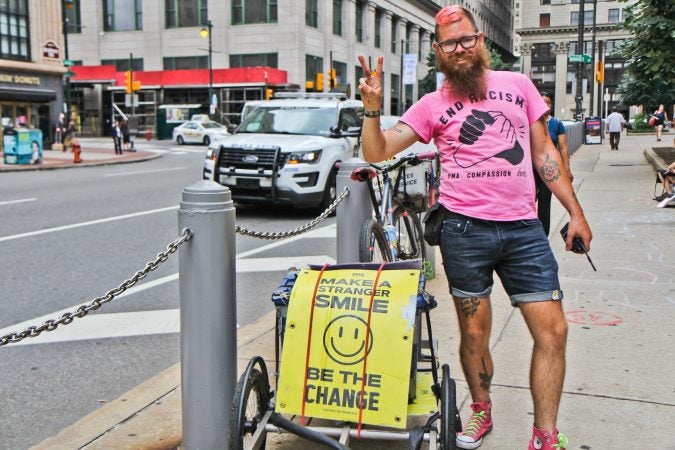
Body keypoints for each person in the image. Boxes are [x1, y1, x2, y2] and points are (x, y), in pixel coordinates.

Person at [358, 5, 592, 449]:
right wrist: (371, 111)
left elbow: (545, 156)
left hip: (524, 230)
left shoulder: (518, 86)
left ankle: (544, 436)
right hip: (464, 232)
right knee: (475, 332)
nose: (460, 49)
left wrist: (574, 212)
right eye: (450, 43)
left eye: (466, 39)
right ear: (438, 50)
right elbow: (378, 151)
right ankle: (481, 410)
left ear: (480, 41)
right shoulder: (432, 105)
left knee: (554, 332)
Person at [535, 93, 570, 236]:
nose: (546, 105)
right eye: (543, 102)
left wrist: (567, 169)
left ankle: (543, 235)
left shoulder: (556, 124)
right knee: (527, 201)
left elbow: (563, 147)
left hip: (548, 169)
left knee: (544, 203)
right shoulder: (530, 122)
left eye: (548, 103)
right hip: (530, 169)